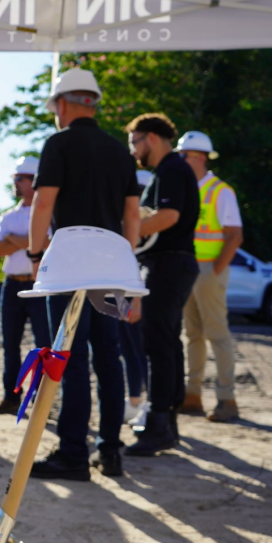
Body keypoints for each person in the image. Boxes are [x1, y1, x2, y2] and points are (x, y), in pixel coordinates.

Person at [27, 68, 142, 480]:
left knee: (71, 357)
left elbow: (43, 205)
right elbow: (133, 215)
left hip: (71, 267)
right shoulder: (119, 152)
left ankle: (74, 454)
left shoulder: (58, 144)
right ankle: (110, 451)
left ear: (62, 104)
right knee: (108, 358)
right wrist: (128, 272)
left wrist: (36, 254)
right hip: (111, 268)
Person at [124, 113, 200, 457]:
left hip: (169, 263)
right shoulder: (169, 171)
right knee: (168, 343)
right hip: (173, 263)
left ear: (151, 138)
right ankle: (166, 423)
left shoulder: (171, 169)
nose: (133, 151)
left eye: (134, 142)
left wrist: (130, 231)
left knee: (158, 344)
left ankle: (159, 425)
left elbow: (169, 216)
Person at [175, 131, 244, 422]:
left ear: (200, 157)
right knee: (193, 335)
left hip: (207, 269)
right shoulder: (186, 188)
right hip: (188, 268)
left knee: (217, 334)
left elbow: (235, 236)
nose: (179, 160)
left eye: (183, 155)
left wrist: (214, 272)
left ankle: (226, 400)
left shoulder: (220, 191)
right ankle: (192, 397)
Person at [0, 156, 52, 415]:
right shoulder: (7, 216)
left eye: (19, 178)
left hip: (40, 287)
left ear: (32, 181)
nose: (15, 183)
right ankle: (11, 397)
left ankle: (40, 399)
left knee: (43, 345)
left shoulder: (49, 213)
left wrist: (16, 240)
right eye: (15, 179)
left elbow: (49, 243)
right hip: (12, 287)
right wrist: (29, 240)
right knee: (10, 344)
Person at [120, 170, 153, 423]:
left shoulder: (150, 223)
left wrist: (137, 299)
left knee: (145, 351)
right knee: (128, 349)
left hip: (141, 292)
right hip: (124, 291)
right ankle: (133, 401)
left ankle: (149, 406)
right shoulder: (125, 220)